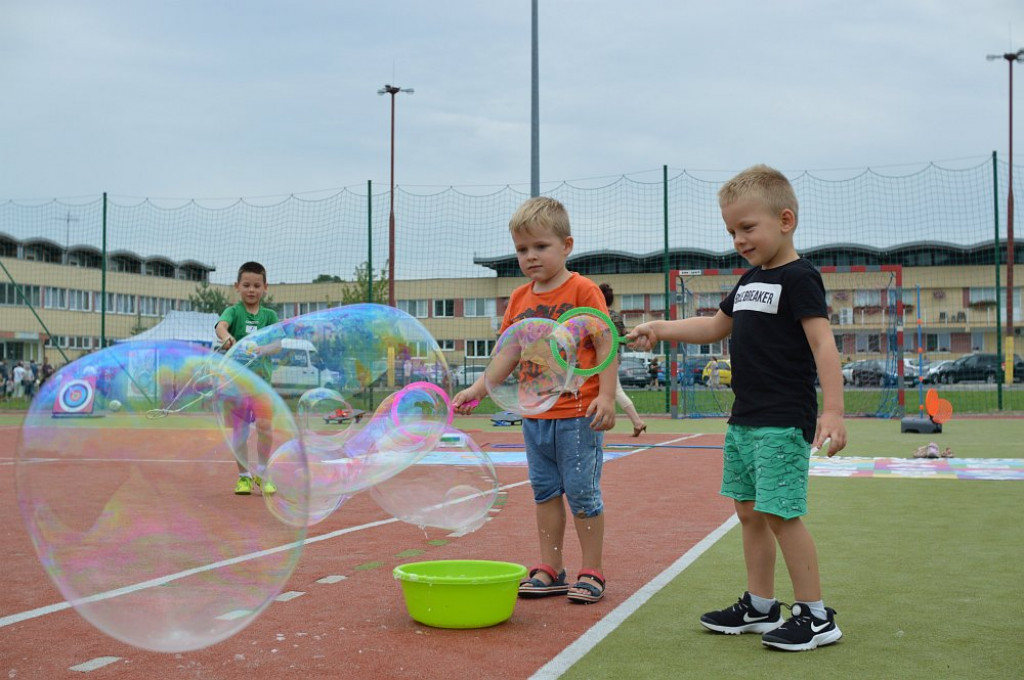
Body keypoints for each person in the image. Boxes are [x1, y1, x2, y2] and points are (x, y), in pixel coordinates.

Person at [627, 164, 848, 651]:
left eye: (747, 227)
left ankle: (815, 616)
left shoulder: (800, 278)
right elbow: (713, 327)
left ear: (785, 220)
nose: (738, 239)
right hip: (744, 419)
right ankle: (760, 606)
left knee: (780, 513)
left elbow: (823, 345)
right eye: (731, 230)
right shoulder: (750, 280)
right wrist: (660, 328)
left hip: (783, 420)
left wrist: (833, 410)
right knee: (748, 511)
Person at [453, 196, 617, 605]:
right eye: (522, 249)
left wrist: (608, 397)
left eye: (540, 246)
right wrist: (478, 388)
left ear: (567, 245)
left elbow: (605, 343)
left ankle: (591, 570)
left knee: (581, 492)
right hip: (534, 414)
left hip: (578, 413)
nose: (530, 256)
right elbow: (507, 352)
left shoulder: (583, 289)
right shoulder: (520, 298)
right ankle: (551, 567)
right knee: (544, 492)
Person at [215, 261, 280, 497]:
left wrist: (261, 350)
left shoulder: (270, 316)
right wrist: (227, 337)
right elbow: (221, 327)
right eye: (246, 285)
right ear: (237, 287)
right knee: (240, 432)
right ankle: (243, 477)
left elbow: (277, 344)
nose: (251, 290)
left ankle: (262, 474)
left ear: (265, 288)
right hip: (235, 385)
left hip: (262, 385)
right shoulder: (233, 312)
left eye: (256, 285)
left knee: (265, 427)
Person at [599, 282, 646, 436]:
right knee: (610, 390)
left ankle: (637, 422)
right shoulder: (615, 316)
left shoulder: (597, 315)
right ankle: (637, 422)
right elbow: (625, 335)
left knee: (615, 390)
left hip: (601, 358)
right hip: (614, 356)